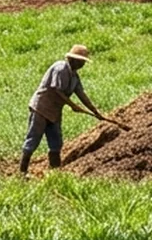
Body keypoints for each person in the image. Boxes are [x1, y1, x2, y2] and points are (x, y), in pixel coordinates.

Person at [19, 44, 108, 176]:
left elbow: (81, 94)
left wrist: (96, 111)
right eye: (81, 61)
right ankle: (22, 172)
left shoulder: (74, 77)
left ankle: (55, 173)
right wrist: (72, 105)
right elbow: (56, 90)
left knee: (56, 142)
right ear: (72, 59)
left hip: (54, 112)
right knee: (34, 138)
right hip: (41, 108)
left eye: (83, 62)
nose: (82, 64)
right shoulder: (60, 68)